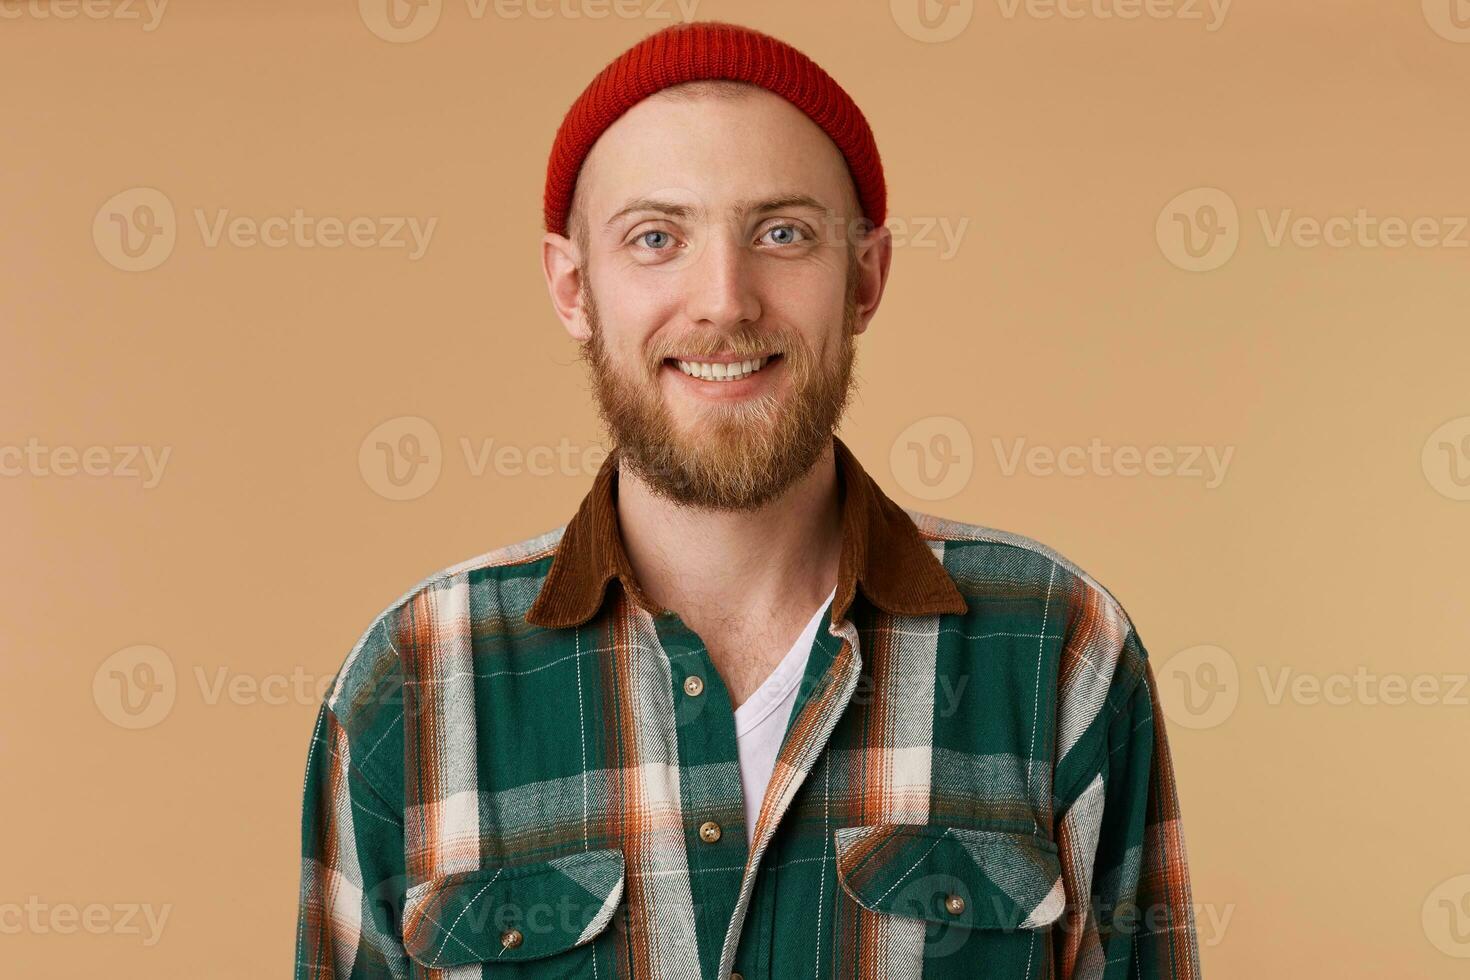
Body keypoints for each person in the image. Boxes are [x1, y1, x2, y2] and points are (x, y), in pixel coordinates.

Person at [295, 19, 1201, 979]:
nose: (725, 300)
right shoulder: (413, 681)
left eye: (783, 233)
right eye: (656, 238)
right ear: (573, 287)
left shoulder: (1061, 649)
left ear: (865, 276)